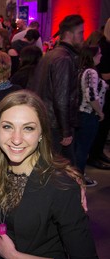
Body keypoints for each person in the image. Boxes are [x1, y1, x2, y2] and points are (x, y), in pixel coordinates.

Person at [0, 90, 99, 259]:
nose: (16, 139)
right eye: (8, 126)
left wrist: (15, 257)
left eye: (28, 128)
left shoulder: (61, 186)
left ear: (41, 134)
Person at [32, 14, 85, 166]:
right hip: (55, 126)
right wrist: (66, 130)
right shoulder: (64, 58)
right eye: (80, 32)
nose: (83, 37)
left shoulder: (51, 55)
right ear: (69, 34)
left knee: (51, 166)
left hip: (47, 121)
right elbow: (61, 98)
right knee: (67, 171)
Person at [75, 45, 107, 186]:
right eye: (99, 53)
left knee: (79, 148)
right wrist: (100, 112)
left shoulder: (81, 70)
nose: (101, 56)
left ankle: (76, 175)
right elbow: (91, 95)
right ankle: (79, 177)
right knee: (83, 149)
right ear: (92, 56)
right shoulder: (91, 72)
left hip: (81, 114)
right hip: (88, 114)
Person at [88, 18, 110, 169]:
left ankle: (98, 152)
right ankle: (94, 155)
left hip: (104, 91)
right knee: (101, 125)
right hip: (102, 93)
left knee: (104, 126)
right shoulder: (104, 46)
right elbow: (104, 74)